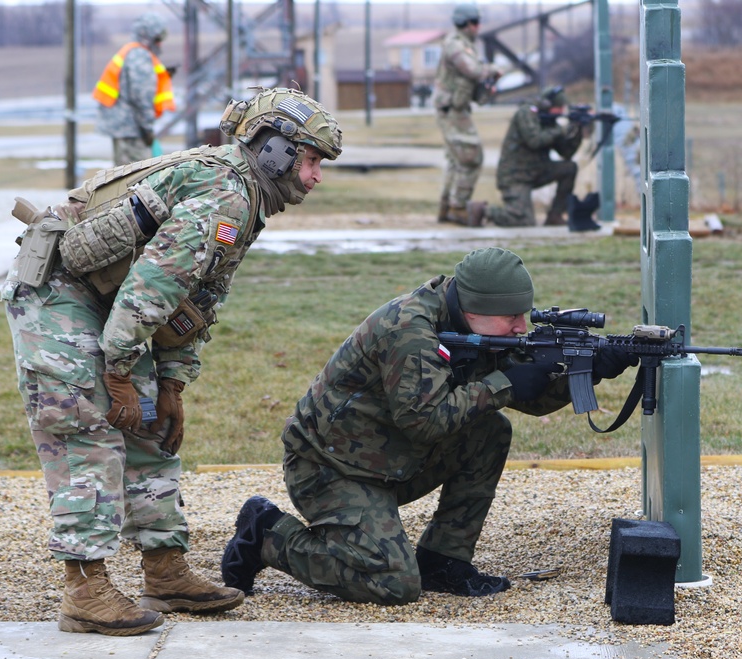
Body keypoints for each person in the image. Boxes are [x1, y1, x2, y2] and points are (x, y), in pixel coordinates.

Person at [1, 87, 343, 636]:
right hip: (60, 293)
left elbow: (193, 303)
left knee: (151, 428)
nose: (316, 176)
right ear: (275, 151)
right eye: (310, 160)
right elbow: (151, 291)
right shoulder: (225, 194)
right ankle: (84, 589)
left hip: (113, 304)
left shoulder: (244, 197)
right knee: (86, 426)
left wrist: (171, 386)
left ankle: (165, 570)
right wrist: (116, 374)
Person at [221, 247, 636, 605]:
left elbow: (526, 398)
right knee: (393, 583)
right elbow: (424, 421)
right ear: (476, 307)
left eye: (522, 315)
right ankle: (268, 534)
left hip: (386, 458)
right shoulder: (411, 331)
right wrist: (506, 383)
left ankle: (444, 560)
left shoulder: (473, 325)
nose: (520, 327)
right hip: (329, 470)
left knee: (489, 431)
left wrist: (590, 370)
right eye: (511, 316)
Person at [475, 86, 584, 228]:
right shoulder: (526, 113)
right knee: (523, 221)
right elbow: (535, 140)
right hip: (515, 177)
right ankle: (484, 211)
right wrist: (559, 131)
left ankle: (555, 215)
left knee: (569, 168)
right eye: (558, 108)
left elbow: (566, 153)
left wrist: (577, 130)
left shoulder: (550, 122)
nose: (561, 112)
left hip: (537, 171)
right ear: (547, 104)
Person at [433, 3, 501, 227]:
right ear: (467, 23)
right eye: (475, 23)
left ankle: (447, 207)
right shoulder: (455, 45)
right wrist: (491, 70)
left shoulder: (466, 45)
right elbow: (472, 70)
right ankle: (458, 207)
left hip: (457, 108)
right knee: (472, 158)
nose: (478, 27)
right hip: (452, 110)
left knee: (456, 161)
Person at [93, 12, 176, 165]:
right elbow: (141, 97)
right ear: (151, 37)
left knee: (126, 178)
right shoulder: (140, 55)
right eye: (158, 39)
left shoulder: (132, 51)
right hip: (131, 130)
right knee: (136, 179)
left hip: (126, 127)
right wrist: (147, 129)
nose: (160, 44)